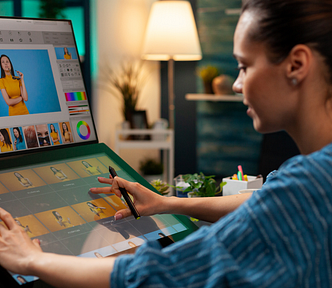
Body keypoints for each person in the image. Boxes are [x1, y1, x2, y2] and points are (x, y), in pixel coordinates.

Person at [0, 0, 332, 287]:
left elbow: (163, 274)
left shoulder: (310, 184)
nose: (235, 84)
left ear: (297, 65)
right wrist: (165, 203)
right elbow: (266, 201)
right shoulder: (311, 177)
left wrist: (30, 260)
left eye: (244, 66)